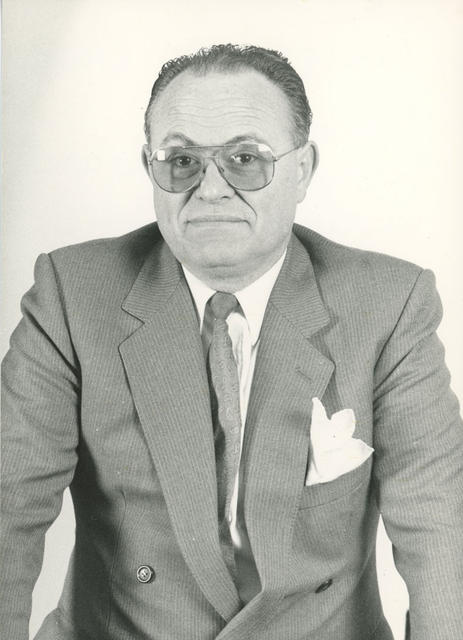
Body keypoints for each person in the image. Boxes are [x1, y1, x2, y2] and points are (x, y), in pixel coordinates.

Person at [1, 44, 462, 640]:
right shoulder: (72, 294)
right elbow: (9, 505)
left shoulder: (388, 304)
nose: (211, 188)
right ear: (149, 168)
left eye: (246, 159)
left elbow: (439, 526)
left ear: (302, 170)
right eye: (182, 160)